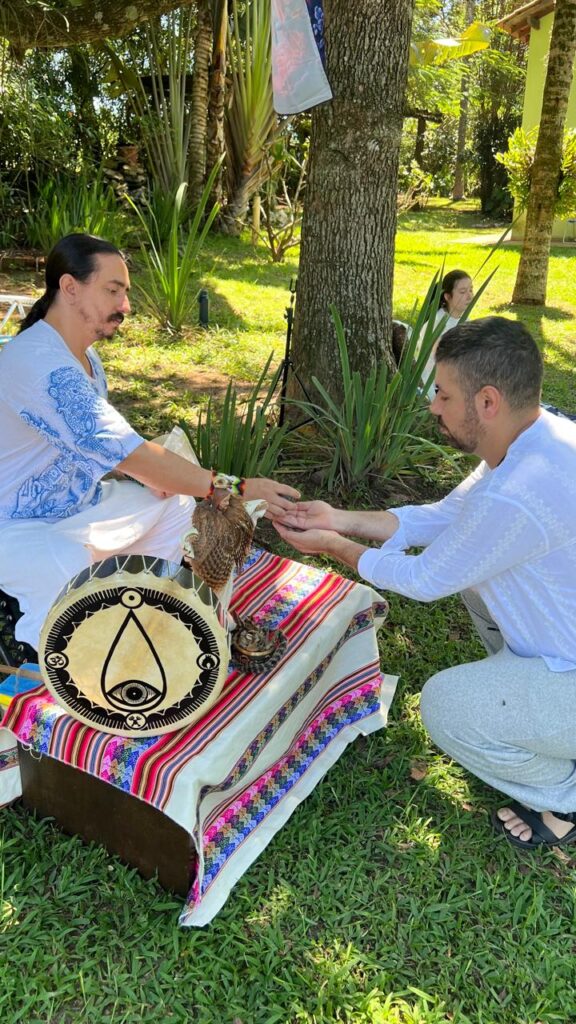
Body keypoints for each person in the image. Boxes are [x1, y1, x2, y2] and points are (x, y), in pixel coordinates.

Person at [274, 316, 576, 851]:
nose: (432, 405)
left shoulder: (519, 492)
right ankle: (540, 711)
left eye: (442, 393)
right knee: (477, 578)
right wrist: (339, 517)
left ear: (486, 402)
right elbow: (443, 518)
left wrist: (333, 547)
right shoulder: (538, 438)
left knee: (444, 707)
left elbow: (423, 578)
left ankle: (565, 796)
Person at [0, 233, 299, 651]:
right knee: (68, 573)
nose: (125, 306)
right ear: (69, 288)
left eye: (125, 292)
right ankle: (58, 668)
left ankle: (151, 613)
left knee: (175, 506)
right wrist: (237, 487)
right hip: (15, 527)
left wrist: (145, 473)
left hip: (79, 509)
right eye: (113, 291)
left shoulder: (84, 358)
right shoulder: (38, 363)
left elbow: (94, 443)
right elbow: (129, 449)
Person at [416, 269, 473, 398]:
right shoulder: (437, 324)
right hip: (433, 386)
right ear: (447, 296)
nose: (470, 296)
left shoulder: (465, 320)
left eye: (471, 290)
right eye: (463, 292)